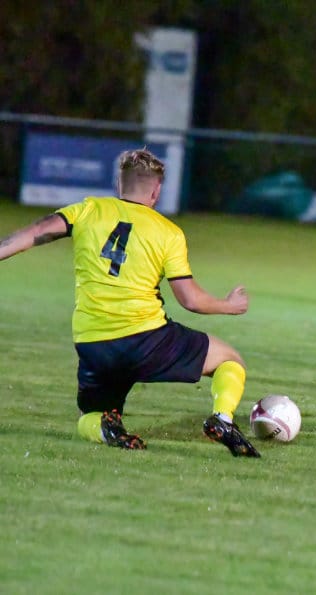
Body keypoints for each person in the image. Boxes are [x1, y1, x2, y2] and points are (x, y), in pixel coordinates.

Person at [0, 148, 260, 456]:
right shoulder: (168, 232)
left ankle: (104, 428)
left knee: (90, 415)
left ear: (118, 183)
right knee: (229, 360)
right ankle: (222, 420)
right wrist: (229, 305)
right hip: (147, 340)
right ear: (156, 191)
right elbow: (190, 299)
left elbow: (36, 232)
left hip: (94, 342)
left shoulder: (87, 209)